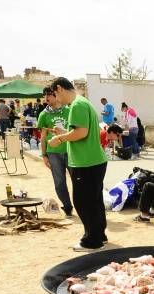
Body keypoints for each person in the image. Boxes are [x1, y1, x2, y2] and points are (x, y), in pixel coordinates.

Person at [48, 77, 108, 252]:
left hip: (86, 162)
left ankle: (92, 241)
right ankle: (99, 235)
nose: (57, 101)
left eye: (55, 95)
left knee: (82, 202)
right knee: (94, 201)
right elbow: (84, 132)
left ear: (59, 89)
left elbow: (81, 132)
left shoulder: (77, 105)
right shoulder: (84, 103)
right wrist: (66, 133)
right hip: (94, 161)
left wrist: (60, 138)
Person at [38, 86, 73, 216]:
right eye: (45, 95)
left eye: (49, 94)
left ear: (56, 95)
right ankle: (67, 205)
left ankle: (82, 205)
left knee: (77, 180)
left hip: (70, 150)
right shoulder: (43, 114)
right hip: (53, 153)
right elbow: (43, 136)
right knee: (59, 182)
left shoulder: (69, 111)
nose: (46, 98)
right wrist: (44, 155)